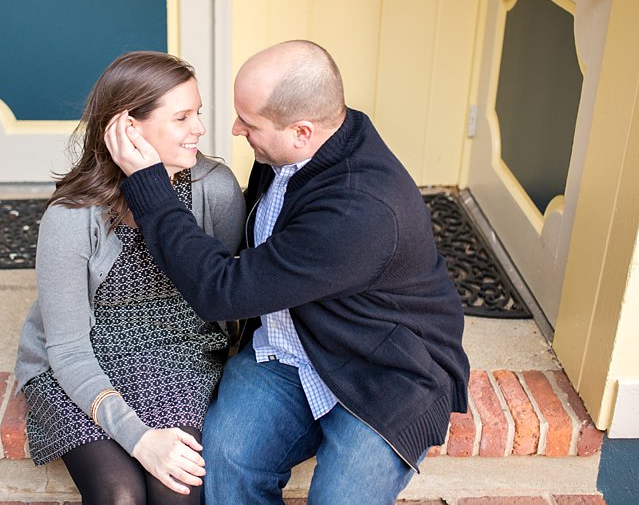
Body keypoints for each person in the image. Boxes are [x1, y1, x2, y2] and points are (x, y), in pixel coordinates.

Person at [104, 40, 471, 504]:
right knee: (227, 464)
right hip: (286, 352)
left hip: (384, 373)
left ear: (301, 130)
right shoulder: (302, 147)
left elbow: (221, 290)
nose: (235, 129)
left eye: (249, 123)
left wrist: (150, 185)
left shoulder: (360, 210)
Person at [14, 51, 245, 504]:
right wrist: (139, 439)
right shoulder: (71, 215)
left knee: (176, 488)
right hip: (81, 363)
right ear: (129, 127)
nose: (199, 128)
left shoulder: (215, 189)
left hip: (180, 355)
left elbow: (227, 294)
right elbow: (67, 348)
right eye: (181, 117)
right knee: (119, 495)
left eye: (197, 113)